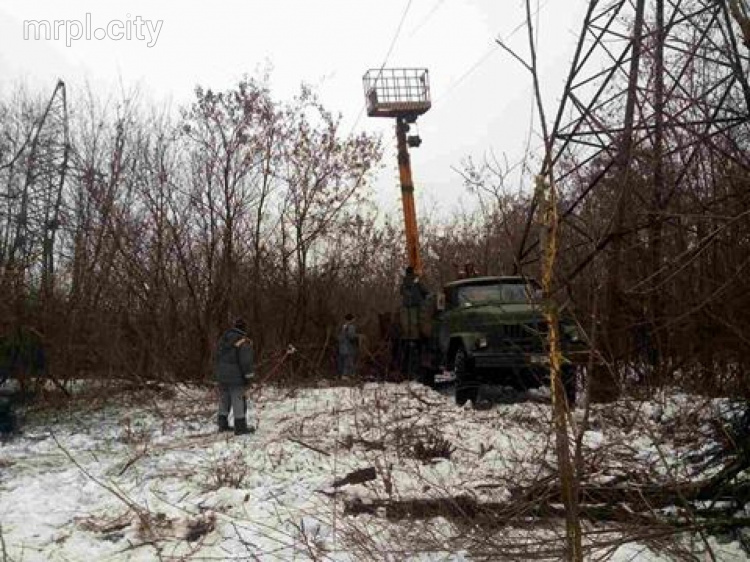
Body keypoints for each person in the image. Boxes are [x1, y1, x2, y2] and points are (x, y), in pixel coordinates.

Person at [213, 318, 255, 435]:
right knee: (238, 400)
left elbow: (216, 357)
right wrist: (249, 378)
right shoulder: (243, 341)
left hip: (222, 376)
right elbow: (246, 362)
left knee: (224, 399)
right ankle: (240, 427)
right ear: (244, 328)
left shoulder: (223, 340)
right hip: (236, 378)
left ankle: (222, 424)